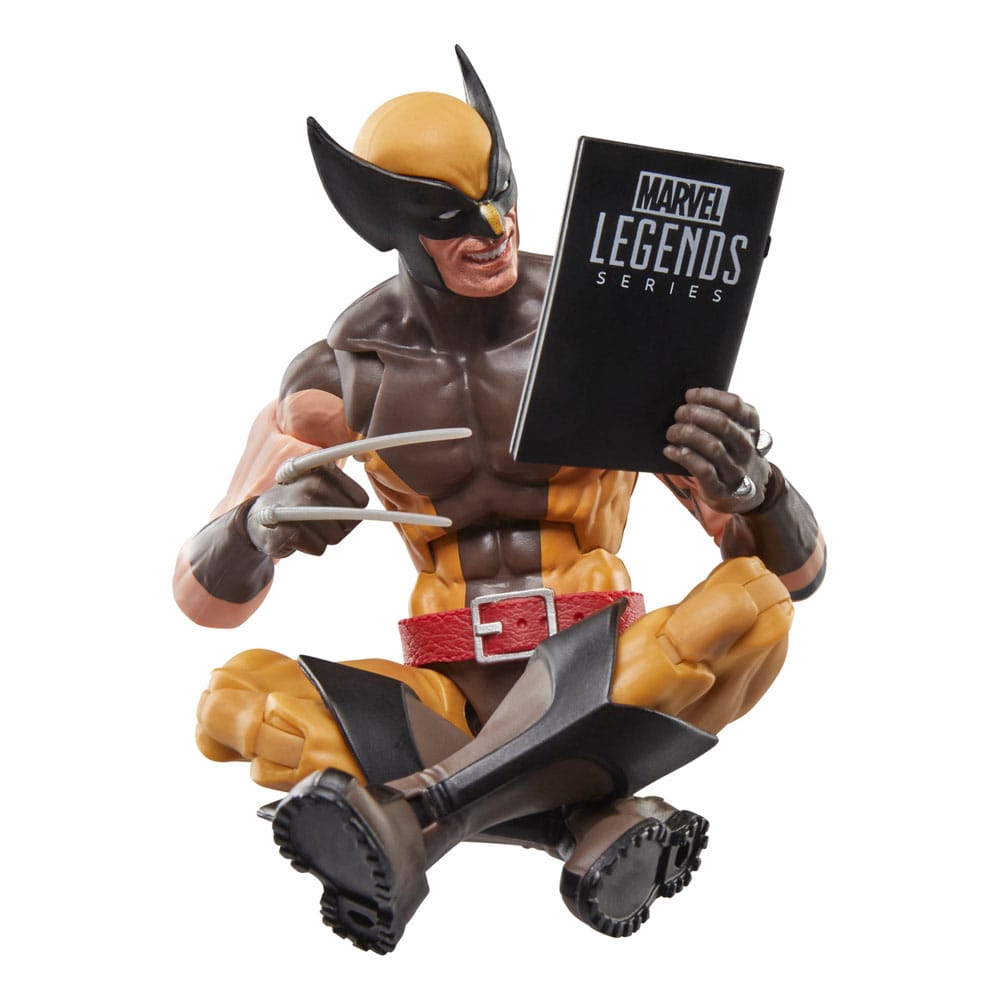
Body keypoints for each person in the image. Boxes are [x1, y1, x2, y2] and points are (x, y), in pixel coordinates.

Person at [174, 47, 825, 953]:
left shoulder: (605, 329)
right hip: (441, 698)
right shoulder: (339, 377)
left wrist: (754, 485)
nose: (493, 227)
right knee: (233, 700)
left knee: (752, 607)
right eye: (449, 215)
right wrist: (258, 528)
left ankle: (421, 816)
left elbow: (795, 574)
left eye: (500, 192)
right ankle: (578, 822)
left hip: (611, 675)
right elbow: (205, 598)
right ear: (384, 223)